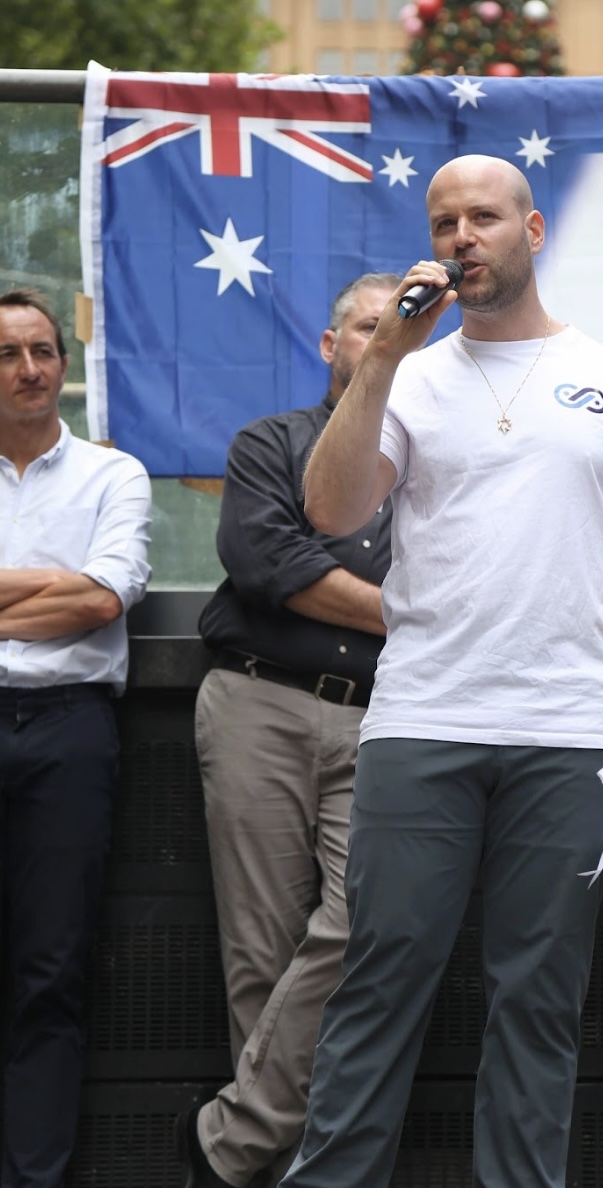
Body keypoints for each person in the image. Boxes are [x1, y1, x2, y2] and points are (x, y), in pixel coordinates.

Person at [282, 153, 603, 1188]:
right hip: (423, 718)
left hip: (572, 731)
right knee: (380, 981)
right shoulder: (408, 375)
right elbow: (329, 511)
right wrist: (382, 358)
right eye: (443, 222)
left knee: (539, 1000)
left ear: (533, 230)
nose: (462, 237)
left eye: (484, 217)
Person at [176, 273, 401, 1188]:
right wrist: (416, 612)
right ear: (331, 345)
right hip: (259, 701)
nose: (382, 341)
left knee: (362, 928)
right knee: (261, 951)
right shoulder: (272, 442)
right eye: (367, 326)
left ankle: (227, 1149)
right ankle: (283, 1173)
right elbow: (271, 563)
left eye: (399, 328)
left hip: (388, 718)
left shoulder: (436, 461)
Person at [0, 287, 151, 1188]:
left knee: (50, 970)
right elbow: (76, 592)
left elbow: (101, 600)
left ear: (63, 363)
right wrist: (53, 588)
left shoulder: (112, 475)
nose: (29, 370)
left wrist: (68, 593)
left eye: (43, 352)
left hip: (69, 731)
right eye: (7, 354)